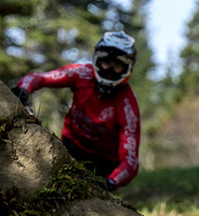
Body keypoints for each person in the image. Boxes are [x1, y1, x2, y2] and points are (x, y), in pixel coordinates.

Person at [10, 31, 141, 190]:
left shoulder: (128, 107)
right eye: (106, 62)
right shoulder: (81, 73)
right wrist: (23, 90)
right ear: (97, 59)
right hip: (71, 148)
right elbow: (39, 78)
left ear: (128, 68)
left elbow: (131, 161)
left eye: (117, 65)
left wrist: (111, 182)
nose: (110, 70)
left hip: (104, 166)